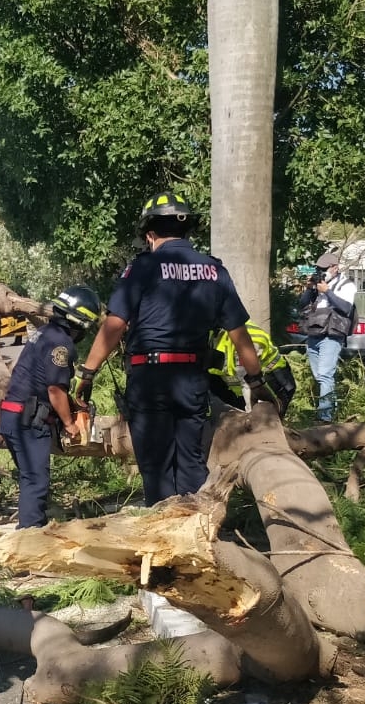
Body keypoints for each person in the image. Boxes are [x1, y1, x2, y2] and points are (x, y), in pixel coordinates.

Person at [71, 193, 269, 505]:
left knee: (156, 467)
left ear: (150, 234)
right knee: (190, 461)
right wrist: (256, 382)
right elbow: (240, 336)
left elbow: (115, 325)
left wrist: (87, 373)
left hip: (150, 381)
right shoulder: (215, 271)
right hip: (191, 379)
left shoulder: (143, 268)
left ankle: (165, 542)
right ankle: (195, 531)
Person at [0, 285, 102, 529]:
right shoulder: (61, 345)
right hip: (29, 421)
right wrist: (69, 424)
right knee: (36, 481)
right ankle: (30, 539)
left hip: (12, 415)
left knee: (29, 478)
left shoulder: (44, 333)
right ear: (80, 323)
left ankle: (30, 530)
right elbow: (55, 390)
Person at [297, 249, 357, 422]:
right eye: (319, 268)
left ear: (335, 267)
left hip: (332, 335)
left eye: (325, 268)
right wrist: (310, 289)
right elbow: (302, 305)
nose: (322, 271)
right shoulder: (317, 285)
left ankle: (325, 417)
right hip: (315, 333)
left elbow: (346, 308)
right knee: (320, 376)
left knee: (325, 375)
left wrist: (327, 291)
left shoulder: (346, 285)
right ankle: (331, 411)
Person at [207, 322, 295, 416]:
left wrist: (253, 416)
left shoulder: (247, 338)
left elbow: (250, 383)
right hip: (237, 389)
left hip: (270, 382)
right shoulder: (205, 334)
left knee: (264, 420)